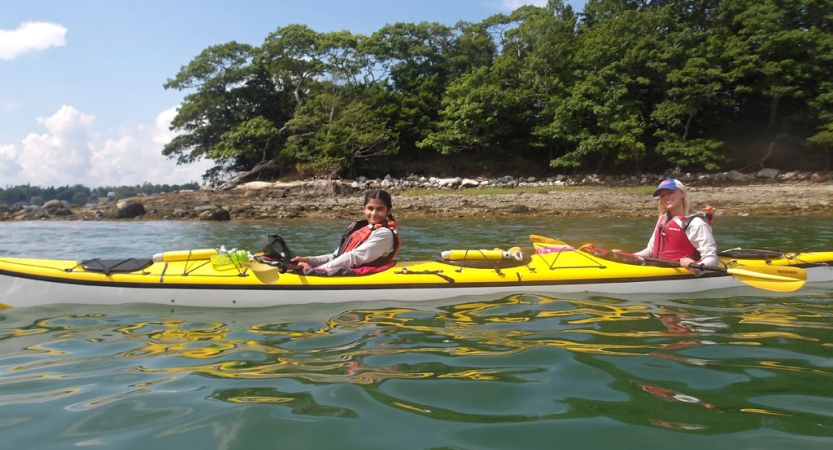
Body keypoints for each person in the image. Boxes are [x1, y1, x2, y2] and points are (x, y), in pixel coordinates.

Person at [291, 189, 401, 275]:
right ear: (364, 209)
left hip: (363, 276)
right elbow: (336, 256)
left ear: (388, 211)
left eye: (380, 209)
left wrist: (315, 270)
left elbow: (353, 258)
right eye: (370, 208)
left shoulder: (384, 234)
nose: (374, 213)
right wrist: (309, 261)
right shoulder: (364, 229)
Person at [630, 179, 718, 272]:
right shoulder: (663, 220)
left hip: (685, 272)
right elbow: (649, 251)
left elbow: (712, 259)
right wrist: (626, 257)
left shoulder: (695, 223)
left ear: (682, 194)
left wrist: (694, 266)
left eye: (670, 192)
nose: (666, 197)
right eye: (662, 195)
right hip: (659, 268)